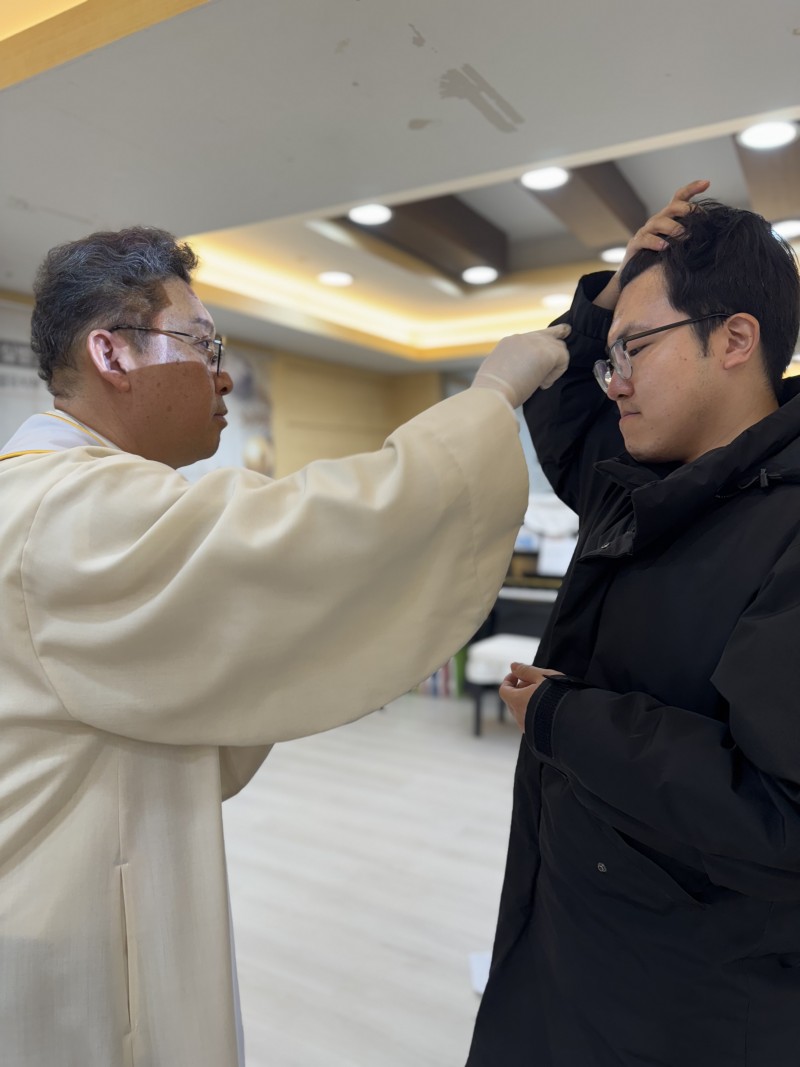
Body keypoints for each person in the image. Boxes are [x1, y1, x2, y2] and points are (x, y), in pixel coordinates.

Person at [0, 225, 570, 1067]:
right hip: (74, 930)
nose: (223, 372)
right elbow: (309, 535)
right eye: (202, 344)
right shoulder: (69, 509)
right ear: (113, 355)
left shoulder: (43, 489)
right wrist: (492, 398)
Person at [466, 181, 800, 1067]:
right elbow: (565, 402)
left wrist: (563, 718)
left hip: (690, 999)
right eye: (608, 357)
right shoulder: (643, 483)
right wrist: (610, 300)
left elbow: (782, 819)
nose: (612, 380)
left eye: (634, 352)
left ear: (735, 338)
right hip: (574, 939)